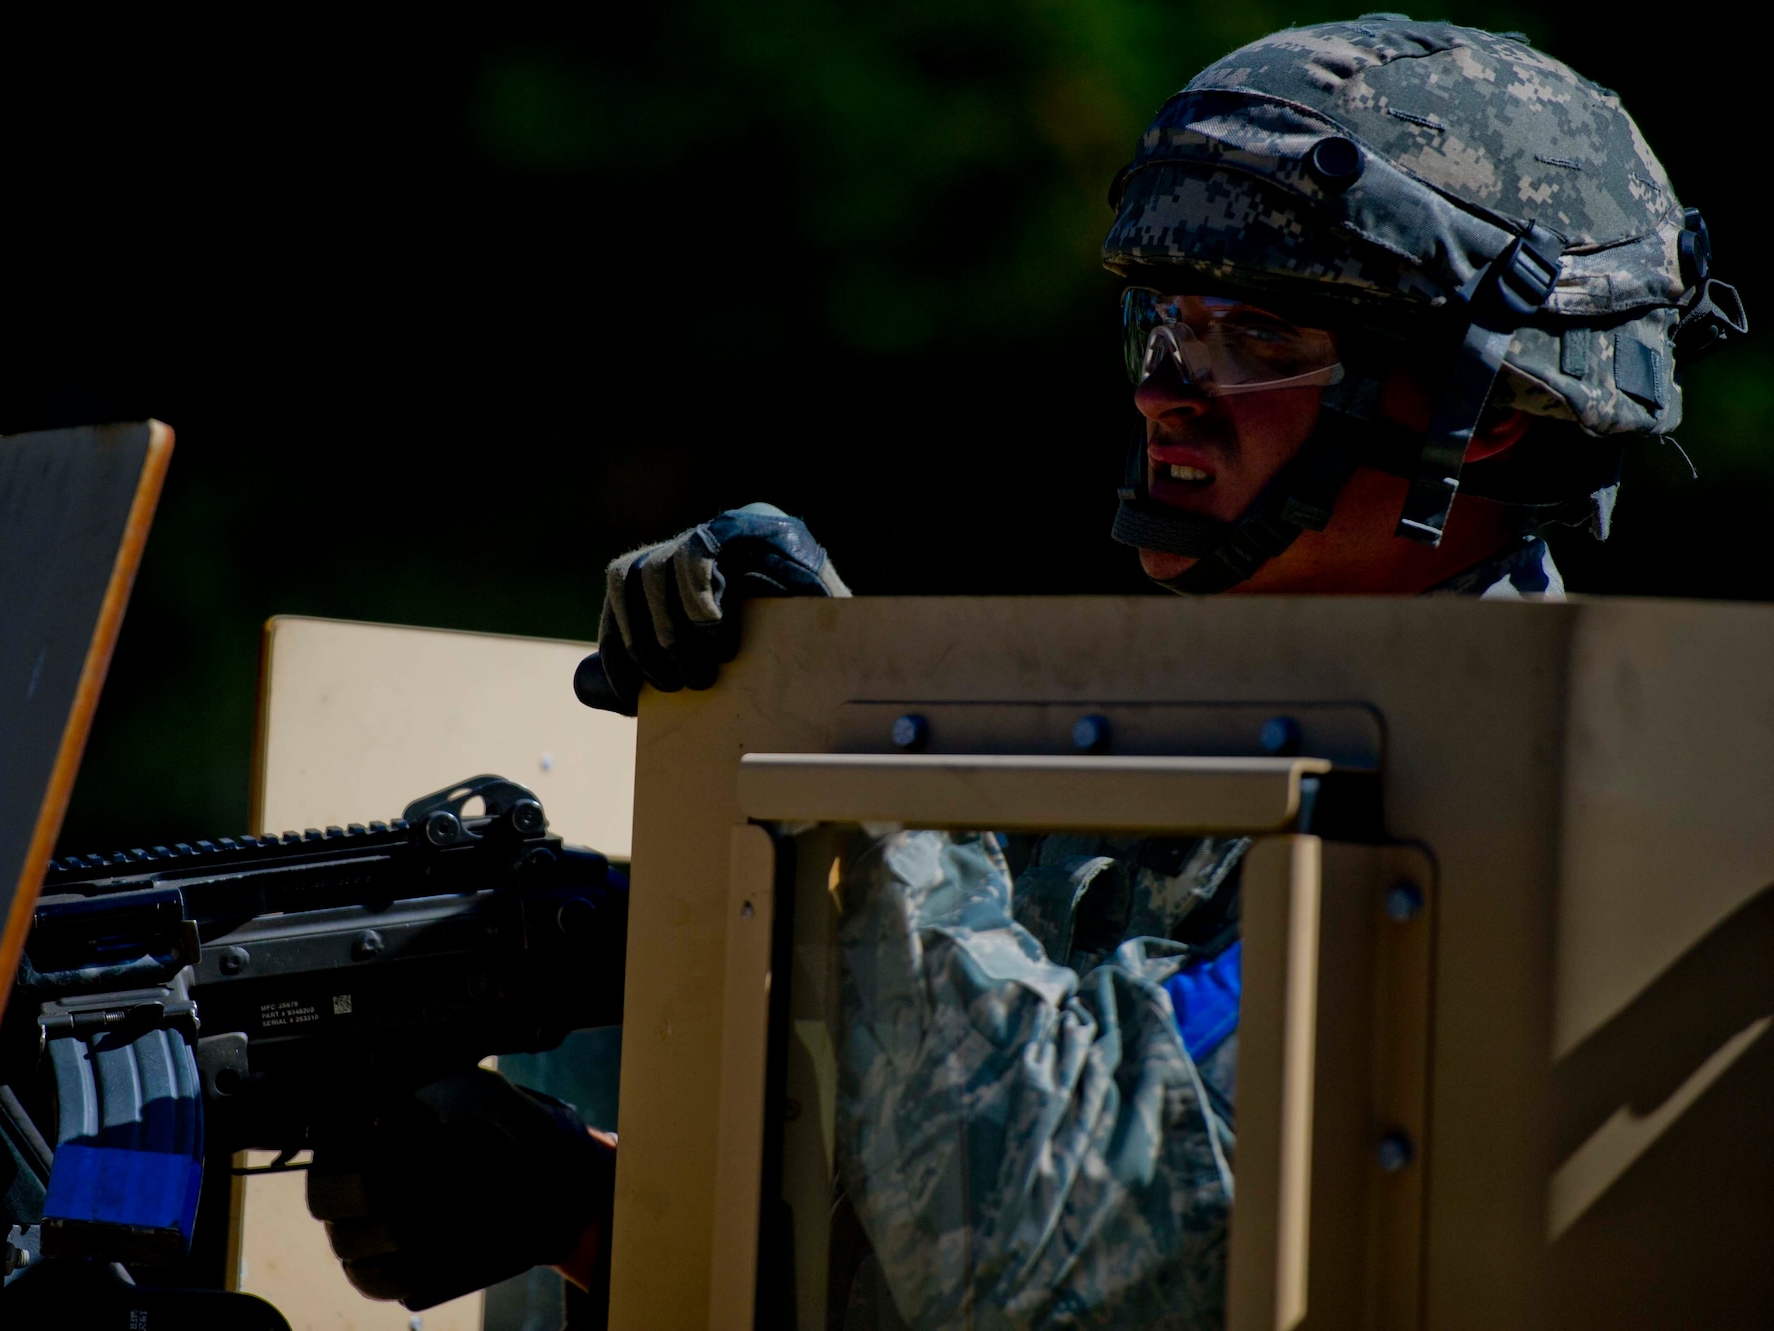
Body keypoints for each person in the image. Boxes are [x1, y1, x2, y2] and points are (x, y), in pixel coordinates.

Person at [308, 16, 1744, 1329]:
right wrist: (595, 1216)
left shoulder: (1517, 829)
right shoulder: (1169, 741)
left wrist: (841, 729)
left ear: (1489, 418)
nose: (1164, 388)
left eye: (1259, 337)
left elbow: (1045, 1272)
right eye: (1166, 322)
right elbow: (934, 1240)